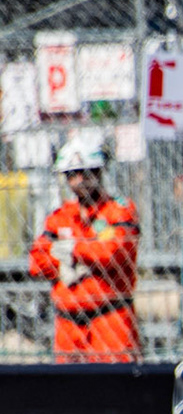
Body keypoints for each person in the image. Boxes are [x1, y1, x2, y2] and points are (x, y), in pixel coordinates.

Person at [28, 135, 139, 363]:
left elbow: (112, 254)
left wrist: (71, 250)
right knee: (67, 392)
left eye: (86, 173)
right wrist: (87, 254)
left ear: (98, 173)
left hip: (110, 317)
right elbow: (37, 263)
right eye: (72, 175)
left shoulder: (118, 211)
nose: (79, 180)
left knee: (115, 388)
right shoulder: (60, 216)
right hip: (68, 322)